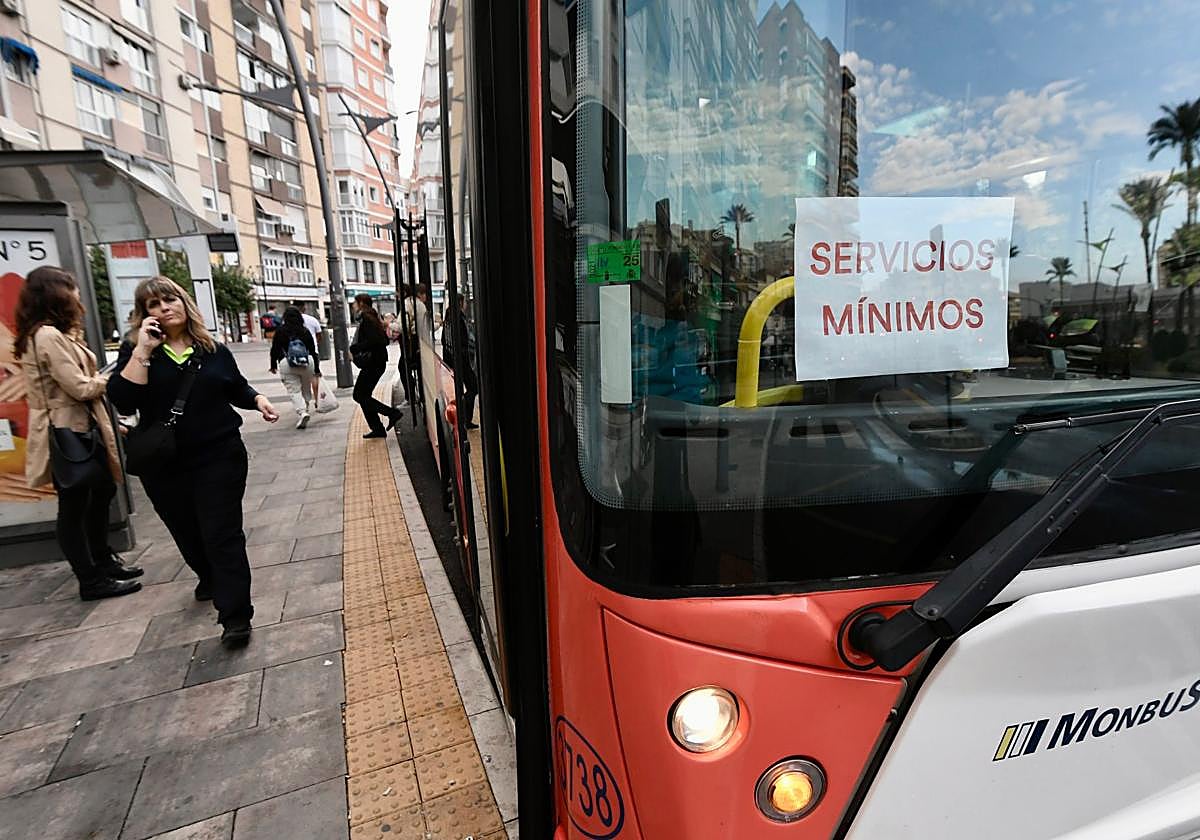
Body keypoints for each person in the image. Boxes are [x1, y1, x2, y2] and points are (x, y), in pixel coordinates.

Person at [108, 276, 280, 648]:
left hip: (218, 455)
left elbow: (235, 386)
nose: (164, 308)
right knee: (187, 532)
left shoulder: (211, 349)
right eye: (154, 304)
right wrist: (143, 350)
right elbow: (123, 399)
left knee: (222, 534)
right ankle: (210, 576)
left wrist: (258, 399)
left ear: (184, 303)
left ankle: (235, 616)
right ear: (145, 314)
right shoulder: (137, 350)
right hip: (163, 464)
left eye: (169, 299)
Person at [13, 267, 143, 600]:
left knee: (100, 492)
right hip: (67, 431)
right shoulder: (47, 336)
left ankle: (102, 561)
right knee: (74, 505)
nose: (78, 295)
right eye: (72, 289)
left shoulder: (55, 333)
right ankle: (90, 579)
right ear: (56, 294)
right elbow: (80, 387)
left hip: (81, 427)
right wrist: (113, 377)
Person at [349, 293, 401, 439]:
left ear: (361, 303)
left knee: (359, 395)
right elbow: (383, 339)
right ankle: (378, 428)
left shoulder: (367, 319)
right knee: (363, 396)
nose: (353, 306)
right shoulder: (372, 317)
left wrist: (354, 349)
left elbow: (376, 340)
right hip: (376, 362)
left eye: (354, 303)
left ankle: (391, 413)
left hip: (374, 363)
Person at [270, 306, 320, 429]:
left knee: (294, 390)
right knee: (306, 388)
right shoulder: (305, 331)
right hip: (306, 362)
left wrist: (273, 365)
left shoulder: (280, 331)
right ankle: (305, 408)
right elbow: (313, 350)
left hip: (287, 363)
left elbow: (274, 349)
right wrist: (317, 369)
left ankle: (302, 412)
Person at [442, 293, 479, 429]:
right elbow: (464, 340)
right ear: (461, 303)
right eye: (465, 302)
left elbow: (444, 340)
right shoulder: (459, 318)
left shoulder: (448, 317)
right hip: (462, 360)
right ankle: (460, 410)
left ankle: (466, 420)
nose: (466, 304)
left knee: (469, 388)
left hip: (452, 360)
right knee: (473, 388)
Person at [295, 302, 323, 405]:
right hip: (312, 352)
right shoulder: (312, 320)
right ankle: (317, 400)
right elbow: (319, 335)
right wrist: (315, 343)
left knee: (301, 378)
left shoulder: (290, 321)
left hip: (296, 353)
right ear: (304, 308)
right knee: (314, 375)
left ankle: (305, 402)